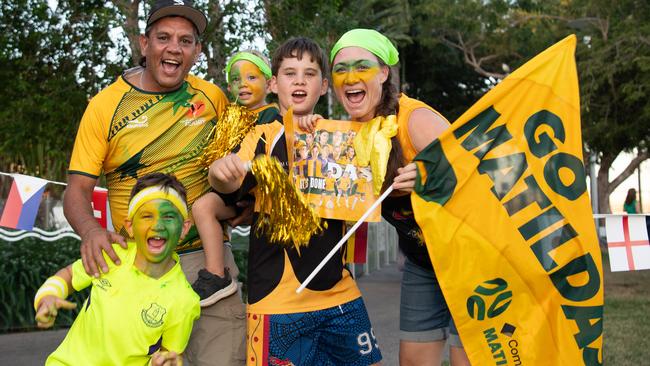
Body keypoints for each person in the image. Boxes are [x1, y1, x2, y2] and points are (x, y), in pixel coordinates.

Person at [62, 1, 246, 364]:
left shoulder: (213, 98)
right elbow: (77, 190)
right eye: (163, 38)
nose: (174, 48)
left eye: (185, 40)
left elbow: (241, 164)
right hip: (136, 269)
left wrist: (247, 205)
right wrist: (91, 232)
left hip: (208, 267)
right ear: (144, 44)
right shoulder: (105, 106)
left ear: (196, 51)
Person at [299, 29, 470, 366]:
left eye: (361, 66)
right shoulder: (348, 135)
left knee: (468, 359)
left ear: (383, 73)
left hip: (471, 259)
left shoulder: (415, 120)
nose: (350, 78)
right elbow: (322, 189)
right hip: (423, 263)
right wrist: (309, 130)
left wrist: (430, 178)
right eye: (340, 69)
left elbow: (479, 179)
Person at [209, 37, 382, 366]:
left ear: (324, 86)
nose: (300, 80)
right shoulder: (260, 136)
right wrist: (219, 170)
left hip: (339, 292)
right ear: (274, 84)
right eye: (290, 73)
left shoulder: (345, 138)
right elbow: (226, 182)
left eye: (310, 73)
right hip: (277, 303)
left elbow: (379, 176)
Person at [35, 173, 199, 366]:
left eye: (169, 216)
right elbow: (70, 275)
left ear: (184, 228)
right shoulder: (111, 254)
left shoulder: (185, 301)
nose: (157, 225)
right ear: (130, 226)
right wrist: (48, 296)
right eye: (147, 216)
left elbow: (169, 355)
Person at [190, 50, 280, 307]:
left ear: (269, 82)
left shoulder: (271, 116)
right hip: (227, 189)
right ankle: (217, 273)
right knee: (202, 206)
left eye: (251, 76)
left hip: (253, 192)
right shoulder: (229, 115)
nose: (243, 84)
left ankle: (224, 277)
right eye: (235, 79)